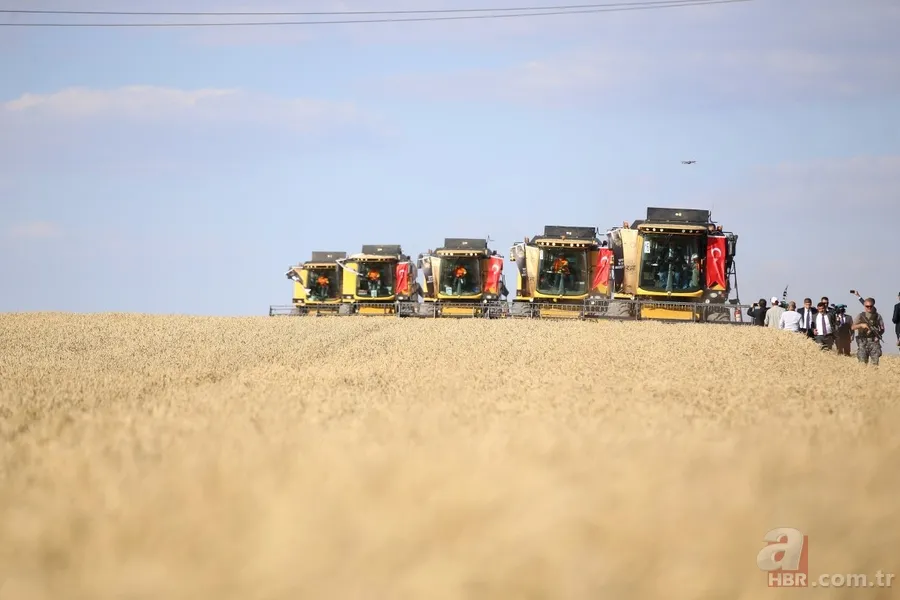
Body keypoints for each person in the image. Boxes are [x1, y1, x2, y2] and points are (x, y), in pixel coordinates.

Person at [851, 297, 885, 366]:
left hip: (874, 342)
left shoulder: (878, 316)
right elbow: (852, 327)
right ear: (864, 306)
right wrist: (861, 325)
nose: (869, 308)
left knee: (875, 364)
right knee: (862, 364)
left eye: (871, 306)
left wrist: (878, 335)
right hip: (862, 342)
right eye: (867, 306)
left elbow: (882, 329)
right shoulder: (860, 316)